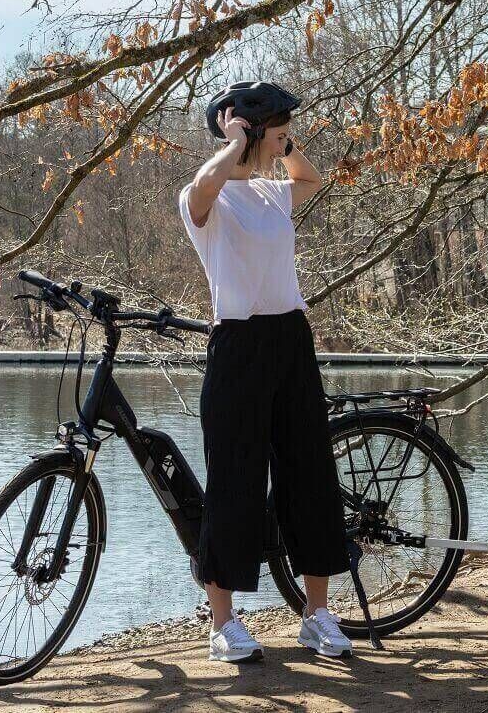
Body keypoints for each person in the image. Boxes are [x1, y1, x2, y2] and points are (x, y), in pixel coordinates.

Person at [177, 81, 352, 662]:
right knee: (235, 481)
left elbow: (312, 180)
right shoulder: (206, 197)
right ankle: (223, 624)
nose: (285, 138)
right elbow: (205, 186)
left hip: (290, 340)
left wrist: (283, 144)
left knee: (310, 474)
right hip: (238, 345)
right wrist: (235, 143)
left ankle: (317, 614)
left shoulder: (273, 194)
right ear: (248, 131)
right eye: (277, 129)